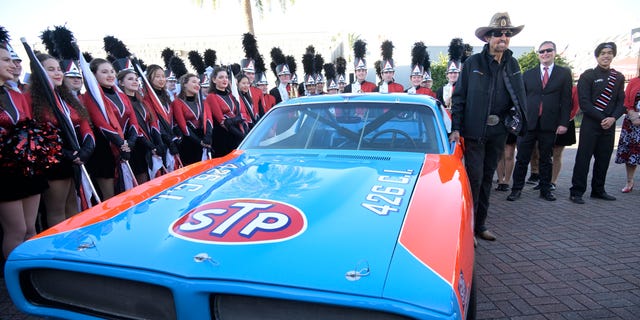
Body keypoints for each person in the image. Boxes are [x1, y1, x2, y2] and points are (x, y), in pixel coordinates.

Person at [449, 12, 527, 242]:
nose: (503, 37)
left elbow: (520, 97)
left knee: (487, 180)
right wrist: (456, 127)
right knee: (473, 179)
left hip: (498, 131)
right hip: (474, 132)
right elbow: (459, 97)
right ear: (488, 37)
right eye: (497, 33)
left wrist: (517, 122)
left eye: (507, 33)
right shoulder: (473, 63)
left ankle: (480, 225)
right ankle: (467, 227)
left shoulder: (512, 64)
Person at [27, 53, 95, 226]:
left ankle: (75, 243)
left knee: (73, 206)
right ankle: (58, 249)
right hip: (54, 161)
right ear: (38, 72)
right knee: (57, 211)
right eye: (51, 70)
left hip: (75, 160)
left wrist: (85, 150)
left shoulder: (67, 97)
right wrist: (64, 153)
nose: (58, 73)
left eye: (58, 69)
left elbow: (84, 124)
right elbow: (38, 134)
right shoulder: (33, 99)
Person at [0, 34, 48, 259]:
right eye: (6, 60)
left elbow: (29, 125)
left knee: (30, 228)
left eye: (12, 60)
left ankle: (32, 272)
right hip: (4, 171)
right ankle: (13, 281)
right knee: (16, 229)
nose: (13, 64)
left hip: (28, 166)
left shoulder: (15, 94)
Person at [507, 41, 572, 202]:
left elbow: (566, 100)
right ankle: (516, 190)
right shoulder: (528, 74)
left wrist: (564, 123)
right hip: (529, 123)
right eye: (541, 51)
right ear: (538, 54)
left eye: (548, 50)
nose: (545, 54)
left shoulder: (563, 73)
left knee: (546, 159)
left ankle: (545, 190)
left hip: (549, 124)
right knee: (522, 158)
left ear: (554, 52)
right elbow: (520, 99)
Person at [569, 42, 626, 204]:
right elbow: (585, 104)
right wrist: (602, 118)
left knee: (603, 158)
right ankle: (576, 191)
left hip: (609, 124)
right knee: (583, 158)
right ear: (597, 56)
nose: (606, 56)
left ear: (613, 55)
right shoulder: (588, 76)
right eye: (602, 53)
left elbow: (621, 102)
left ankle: (598, 190)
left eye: (609, 53)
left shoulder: (619, 77)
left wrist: (613, 118)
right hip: (591, 124)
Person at [82, 58, 140, 200]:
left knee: (130, 193)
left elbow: (133, 121)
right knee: (111, 197)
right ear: (93, 75)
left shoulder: (121, 95)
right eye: (104, 72)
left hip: (126, 148)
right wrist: (121, 144)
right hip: (104, 150)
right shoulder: (89, 96)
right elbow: (101, 123)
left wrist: (130, 143)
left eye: (112, 71)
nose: (110, 75)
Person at [117, 69, 164, 183]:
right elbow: (134, 126)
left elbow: (152, 122)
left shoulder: (142, 102)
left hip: (148, 146)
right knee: (140, 181)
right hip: (134, 146)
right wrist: (150, 146)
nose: (135, 81)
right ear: (121, 83)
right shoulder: (121, 102)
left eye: (136, 79)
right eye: (130, 79)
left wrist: (157, 143)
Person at [142, 64, 181, 172]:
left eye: (163, 76)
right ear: (149, 78)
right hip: (160, 142)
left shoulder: (166, 96)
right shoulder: (147, 98)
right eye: (157, 76)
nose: (161, 79)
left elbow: (172, 119)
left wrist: (177, 135)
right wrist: (168, 140)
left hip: (171, 140)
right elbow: (154, 122)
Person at [205, 66, 247, 158]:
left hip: (237, 135)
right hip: (222, 137)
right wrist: (242, 136)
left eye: (226, 77)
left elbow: (244, 114)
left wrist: (242, 135)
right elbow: (222, 121)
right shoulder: (211, 97)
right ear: (214, 80)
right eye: (221, 77)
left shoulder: (232, 95)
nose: (225, 80)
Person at [172, 73, 212, 165]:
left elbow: (209, 120)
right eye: (194, 82)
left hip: (204, 140)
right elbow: (183, 126)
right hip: (188, 143)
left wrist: (208, 136)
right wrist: (200, 142)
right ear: (184, 84)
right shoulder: (177, 103)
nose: (197, 85)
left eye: (198, 83)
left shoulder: (202, 102)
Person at [550, 82, 580, 190]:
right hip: (548, 123)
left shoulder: (574, 89)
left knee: (557, 154)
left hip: (565, 123)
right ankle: (543, 179)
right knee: (544, 153)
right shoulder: (550, 86)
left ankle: (553, 181)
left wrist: (563, 121)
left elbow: (575, 107)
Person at [614, 71, 640, 193]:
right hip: (632, 124)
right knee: (631, 154)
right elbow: (627, 101)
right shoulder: (634, 81)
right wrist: (632, 114)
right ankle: (629, 181)